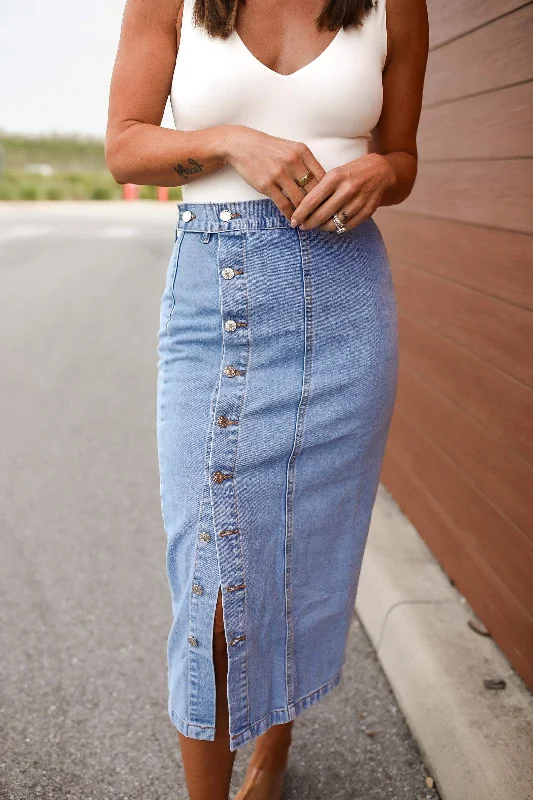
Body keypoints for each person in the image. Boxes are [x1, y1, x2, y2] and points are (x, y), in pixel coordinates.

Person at [105, 0, 428, 797]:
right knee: (210, 580)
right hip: (215, 297)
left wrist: (382, 173)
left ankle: (274, 749)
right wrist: (226, 140)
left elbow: (403, 158)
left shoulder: (396, 5)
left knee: (298, 551)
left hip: (345, 299)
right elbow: (124, 148)